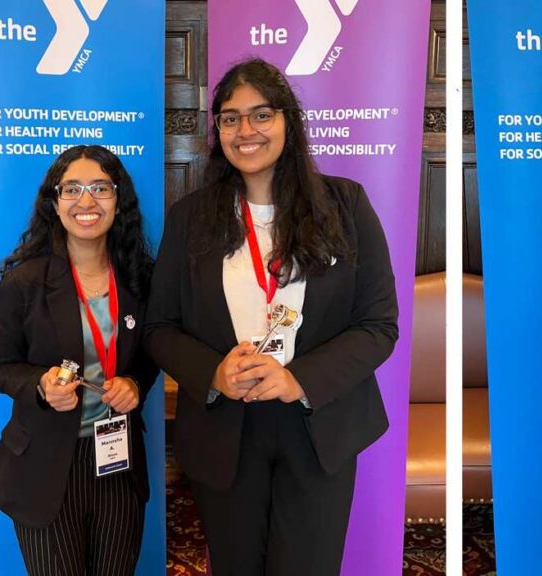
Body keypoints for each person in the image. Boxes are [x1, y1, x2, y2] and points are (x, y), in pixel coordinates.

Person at [144, 58, 397, 576]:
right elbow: (159, 327)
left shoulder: (346, 205)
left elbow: (378, 326)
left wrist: (297, 378)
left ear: (288, 121)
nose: (246, 130)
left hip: (318, 424)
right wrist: (214, 372)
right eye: (231, 118)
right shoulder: (190, 217)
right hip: (226, 427)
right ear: (218, 130)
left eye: (261, 114)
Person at [0, 145, 157, 575]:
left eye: (100, 188)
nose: (86, 200)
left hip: (117, 460)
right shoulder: (24, 282)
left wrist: (135, 384)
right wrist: (41, 386)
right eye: (72, 189)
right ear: (54, 202)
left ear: (119, 199)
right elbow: (0, 366)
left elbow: (153, 352)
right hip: (44, 463)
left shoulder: (140, 279)